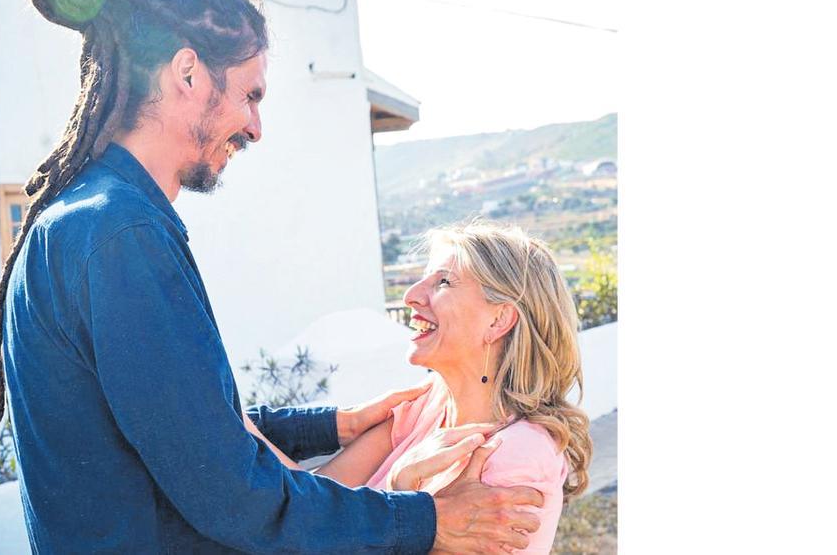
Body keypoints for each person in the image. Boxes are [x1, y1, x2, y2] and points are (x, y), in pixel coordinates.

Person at [0, 0, 544, 554]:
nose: (256, 126)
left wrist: (333, 426)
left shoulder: (85, 218)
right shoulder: (123, 236)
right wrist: (427, 523)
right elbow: (233, 496)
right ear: (189, 73)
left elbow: (183, 428)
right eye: (250, 95)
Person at [250, 221, 593, 554]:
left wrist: (402, 496)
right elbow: (309, 510)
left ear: (498, 320)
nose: (412, 296)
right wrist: (226, 411)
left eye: (444, 282)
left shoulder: (519, 454)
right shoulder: (425, 405)